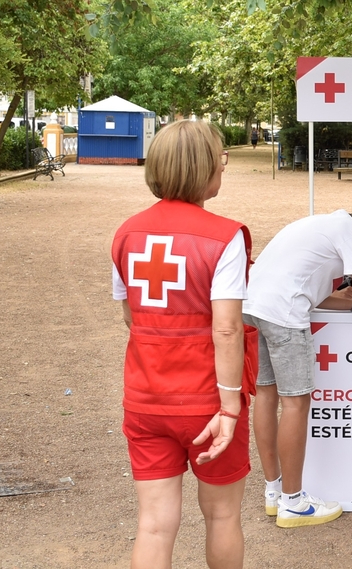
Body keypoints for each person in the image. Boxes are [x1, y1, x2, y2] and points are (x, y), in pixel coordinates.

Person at [111, 119, 255, 569]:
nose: (224, 168)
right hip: (209, 402)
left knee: (153, 524)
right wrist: (229, 408)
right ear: (204, 168)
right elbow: (228, 329)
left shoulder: (126, 233)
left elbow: (132, 316)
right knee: (223, 515)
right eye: (221, 159)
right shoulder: (225, 237)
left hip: (146, 398)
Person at [243, 200, 352, 528]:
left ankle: (274, 491)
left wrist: (351, 303)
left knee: (267, 396)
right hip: (285, 314)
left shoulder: (324, 224)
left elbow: (325, 297)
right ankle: (294, 503)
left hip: (254, 303)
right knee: (296, 404)